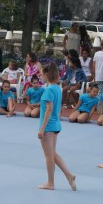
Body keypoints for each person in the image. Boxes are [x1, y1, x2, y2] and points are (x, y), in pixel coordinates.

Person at [37, 62, 76, 191]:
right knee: (52, 154)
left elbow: (49, 110)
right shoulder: (57, 88)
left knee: (49, 156)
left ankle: (50, 182)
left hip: (49, 126)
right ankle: (69, 176)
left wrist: (42, 128)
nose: (40, 76)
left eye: (42, 74)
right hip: (55, 125)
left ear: (47, 74)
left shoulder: (49, 90)